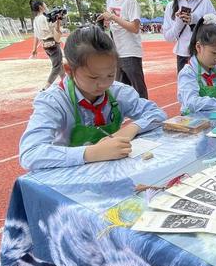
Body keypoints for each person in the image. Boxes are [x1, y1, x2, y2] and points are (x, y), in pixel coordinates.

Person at [19, 26, 166, 171]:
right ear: (69, 70)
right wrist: (92, 152)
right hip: (70, 178)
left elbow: (157, 114)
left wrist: (129, 130)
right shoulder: (54, 102)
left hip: (112, 173)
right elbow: (30, 153)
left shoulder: (118, 92)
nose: (103, 84)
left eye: (110, 75)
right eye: (93, 77)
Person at [98, 0, 148, 99]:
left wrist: (113, 17)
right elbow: (112, 26)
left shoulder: (130, 2)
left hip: (130, 52)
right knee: (119, 90)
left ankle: (147, 116)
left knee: (138, 90)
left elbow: (135, 27)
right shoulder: (110, 0)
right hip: (116, 52)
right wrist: (105, 21)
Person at [163, 0, 215, 73]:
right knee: (185, 89)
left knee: (206, 88)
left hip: (203, 56)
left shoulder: (205, 2)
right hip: (182, 56)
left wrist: (195, 19)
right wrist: (178, 23)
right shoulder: (171, 6)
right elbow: (168, 37)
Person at [30, 0, 64, 91]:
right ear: (41, 7)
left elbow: (36, 36)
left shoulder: (36, 20)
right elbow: (56, 29)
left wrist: (34, 49)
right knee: (57, 66)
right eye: (44, 4)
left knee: (59, 64)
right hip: (52, 43)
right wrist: (59, 20)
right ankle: (46, 87)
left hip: (45, 45)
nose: (46, 5)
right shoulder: (46, 17)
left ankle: (65, 81)